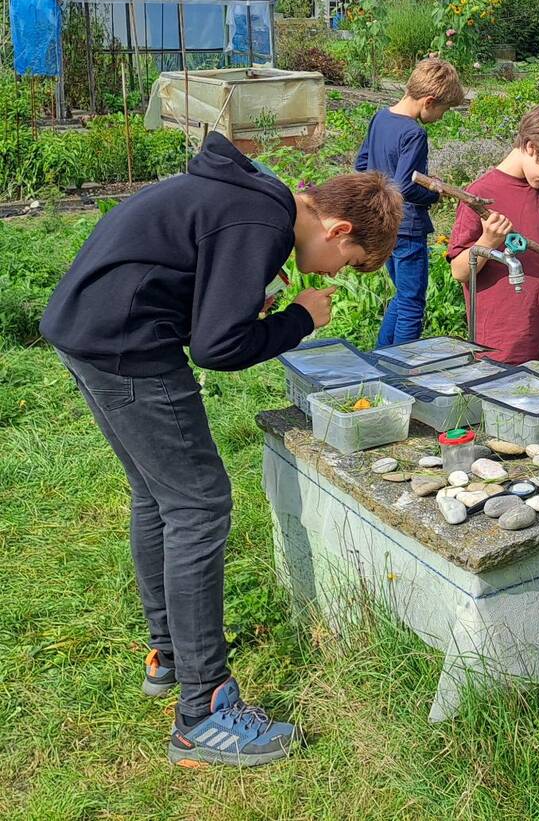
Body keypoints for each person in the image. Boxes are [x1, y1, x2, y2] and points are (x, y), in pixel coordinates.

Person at [41, 132, 403, 768]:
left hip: (90, 331)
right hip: (128, 347)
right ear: (338, 227)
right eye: (346, 262)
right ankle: (203, 713)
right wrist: (298, 319)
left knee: (158, 498)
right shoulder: (262, 219)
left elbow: (186, 285)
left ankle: (172, 656)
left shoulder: (250, 198)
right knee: (200, 507)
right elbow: (216, 350)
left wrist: (239, 308)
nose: (333, 274)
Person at [447, 100, 539, 364]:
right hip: (504, 340)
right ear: (531, 147)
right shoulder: (481, 195)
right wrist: (488, 241)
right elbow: (459, 271)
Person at [356, 57, 464, 347]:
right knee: (413, 304)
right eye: (443, 110)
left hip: (383, 225)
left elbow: (362, 165)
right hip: (408, 227)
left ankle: (382, 357)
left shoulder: (380, 118)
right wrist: (434, 193)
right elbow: (403, 186)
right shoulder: (414, 133)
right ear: (429, 101)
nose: (442, 117)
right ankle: (403, 366)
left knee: (403, 296)